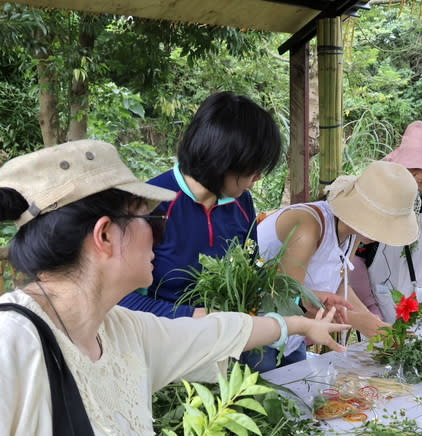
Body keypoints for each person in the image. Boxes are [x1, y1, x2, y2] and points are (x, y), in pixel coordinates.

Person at [0, 140, 348, 436]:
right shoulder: (11, 346)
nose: (160, 234)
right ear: (105, 235)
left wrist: (295, 325)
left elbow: (218, 332)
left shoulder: (123, 331)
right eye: (153, 221)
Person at [118, 91, 318, 372]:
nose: (258, 179)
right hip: (164, 352)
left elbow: (251, 275)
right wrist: (197, 316)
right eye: (253, 169)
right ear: (223, 160)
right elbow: (119, 302)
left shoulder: (241, 202)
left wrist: (299, 294)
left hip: (229, 343)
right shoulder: (149, 206)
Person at [257, 160, 420, 342]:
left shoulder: (352, 232)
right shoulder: (308, 227)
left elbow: (340, 284)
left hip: (291, 339)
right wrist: (359, 322)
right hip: (261, 333)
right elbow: (286, 297)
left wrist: (374, 322)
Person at [350, 121, 422, 332]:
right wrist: (370, 310)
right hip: (374, 300)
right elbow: (355, 257)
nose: (421, 176)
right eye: (414, 166)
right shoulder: (376, 194)